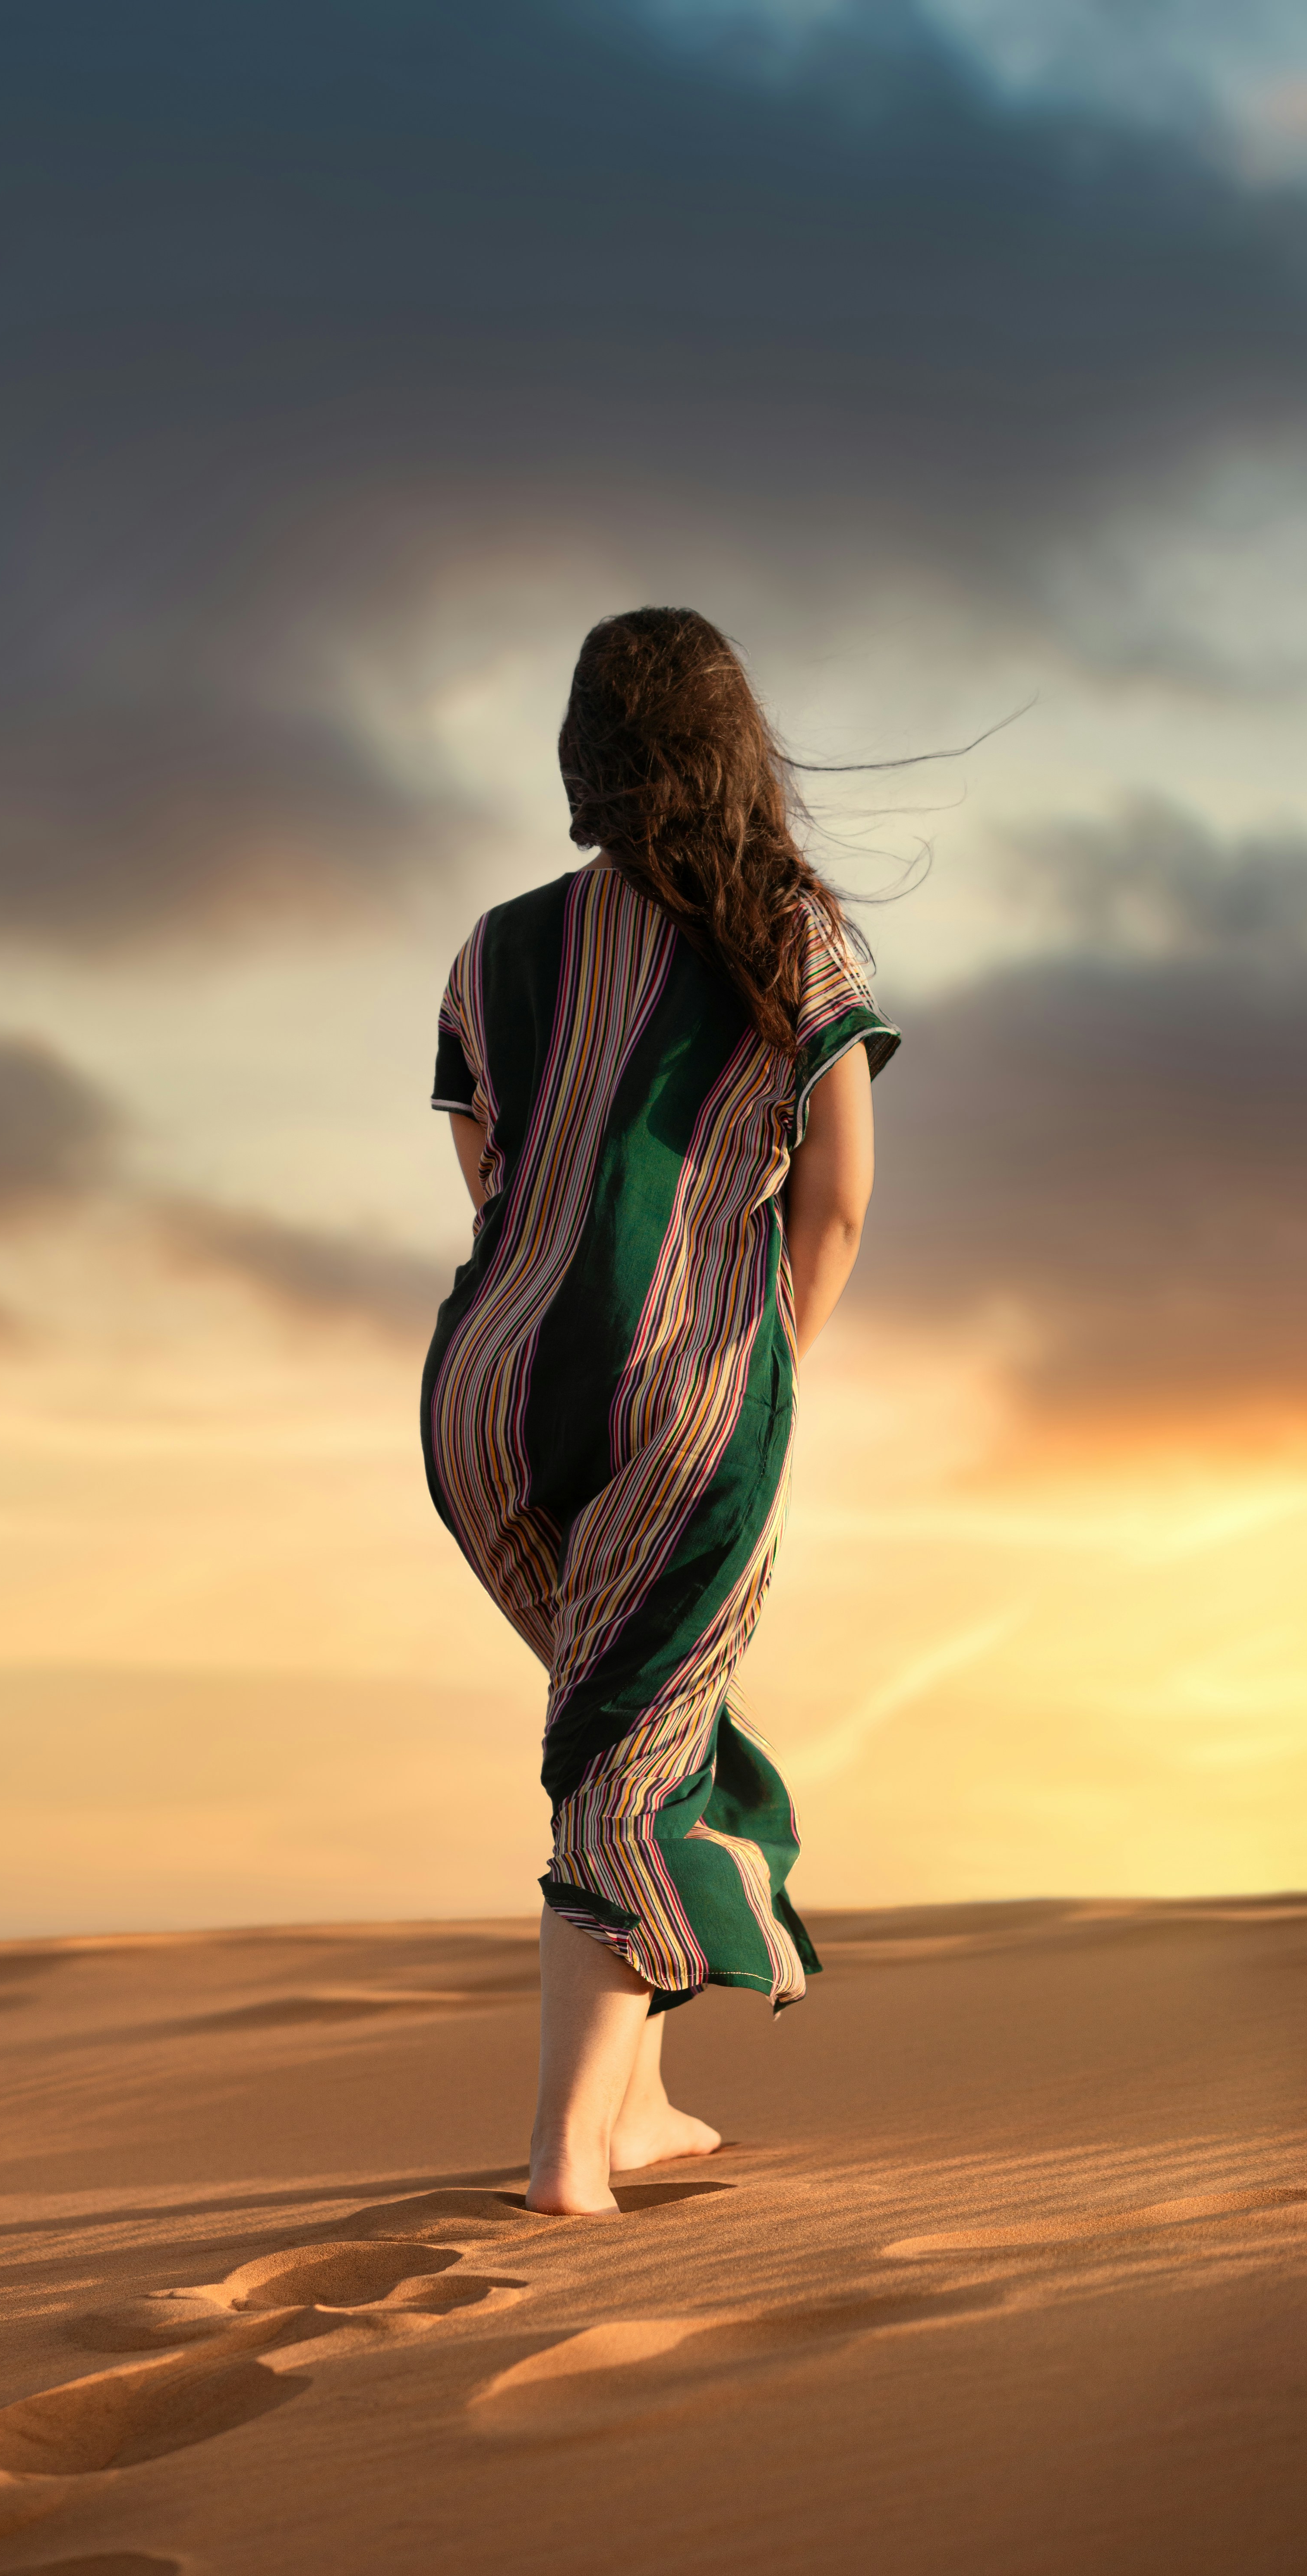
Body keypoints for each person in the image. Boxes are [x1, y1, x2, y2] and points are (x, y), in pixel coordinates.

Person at [421, 606, 900, 2215]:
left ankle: (639, 2103)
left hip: (481, 1398)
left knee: (635, 1715)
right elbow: (833, 1203)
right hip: (683, 1382)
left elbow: (488, 1182)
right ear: (732, 745)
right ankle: (570, 2156)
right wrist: (747, 1380)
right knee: (631, 1747)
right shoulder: (788, 925)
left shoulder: (494, 948)